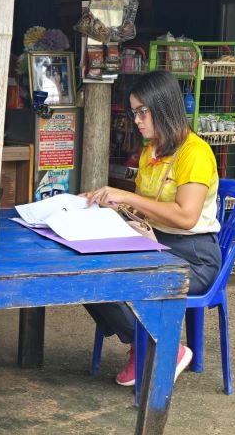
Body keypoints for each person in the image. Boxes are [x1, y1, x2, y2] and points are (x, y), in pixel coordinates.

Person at [83, 70, 221, 387]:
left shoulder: (195, 153)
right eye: (134, 112)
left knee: (118, 279)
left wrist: (128, 197)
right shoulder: (153, 150)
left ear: (165, 107)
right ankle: (143, 343)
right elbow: (146, 207)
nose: (137, 120)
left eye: (143, 111)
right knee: (85, 271)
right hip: (155, 242)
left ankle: (160, 346)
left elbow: (186, 217)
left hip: (193, 256)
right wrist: (110, 204)